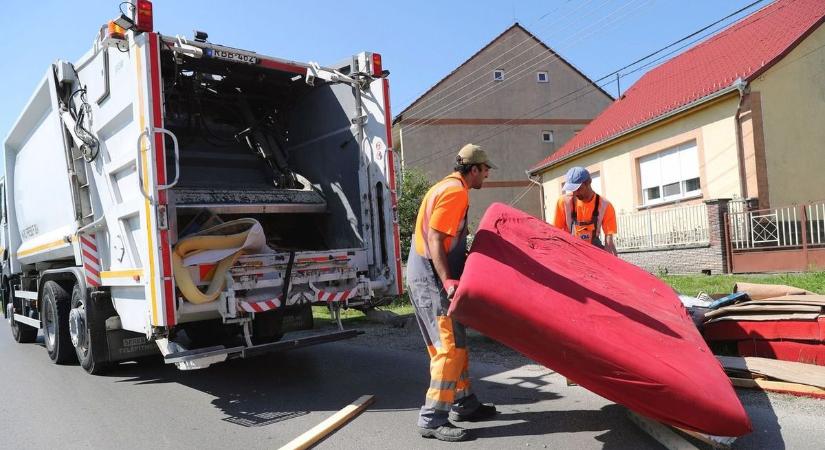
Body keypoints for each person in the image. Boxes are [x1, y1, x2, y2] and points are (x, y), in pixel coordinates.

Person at [406, 143, 498, 442]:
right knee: (448, 349)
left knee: (457, 344)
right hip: (432, 279)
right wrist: (447, 281)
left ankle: (465, 403)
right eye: (485, 170)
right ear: (473, 170)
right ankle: (432, 419)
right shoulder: (454, 192)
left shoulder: (449, 188)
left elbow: (447, 239)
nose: (486, 176)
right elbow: (435, 239)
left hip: (429, 277)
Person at [553, 166, 618, 256]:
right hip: (570, 252)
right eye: (572, 190)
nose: (575, 193)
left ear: (588, 183)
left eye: (578, 189)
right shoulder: (563, 202)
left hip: (594, 250)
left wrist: (612, 258)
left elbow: (609, 240)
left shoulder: (605, 205)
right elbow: (556, 233)